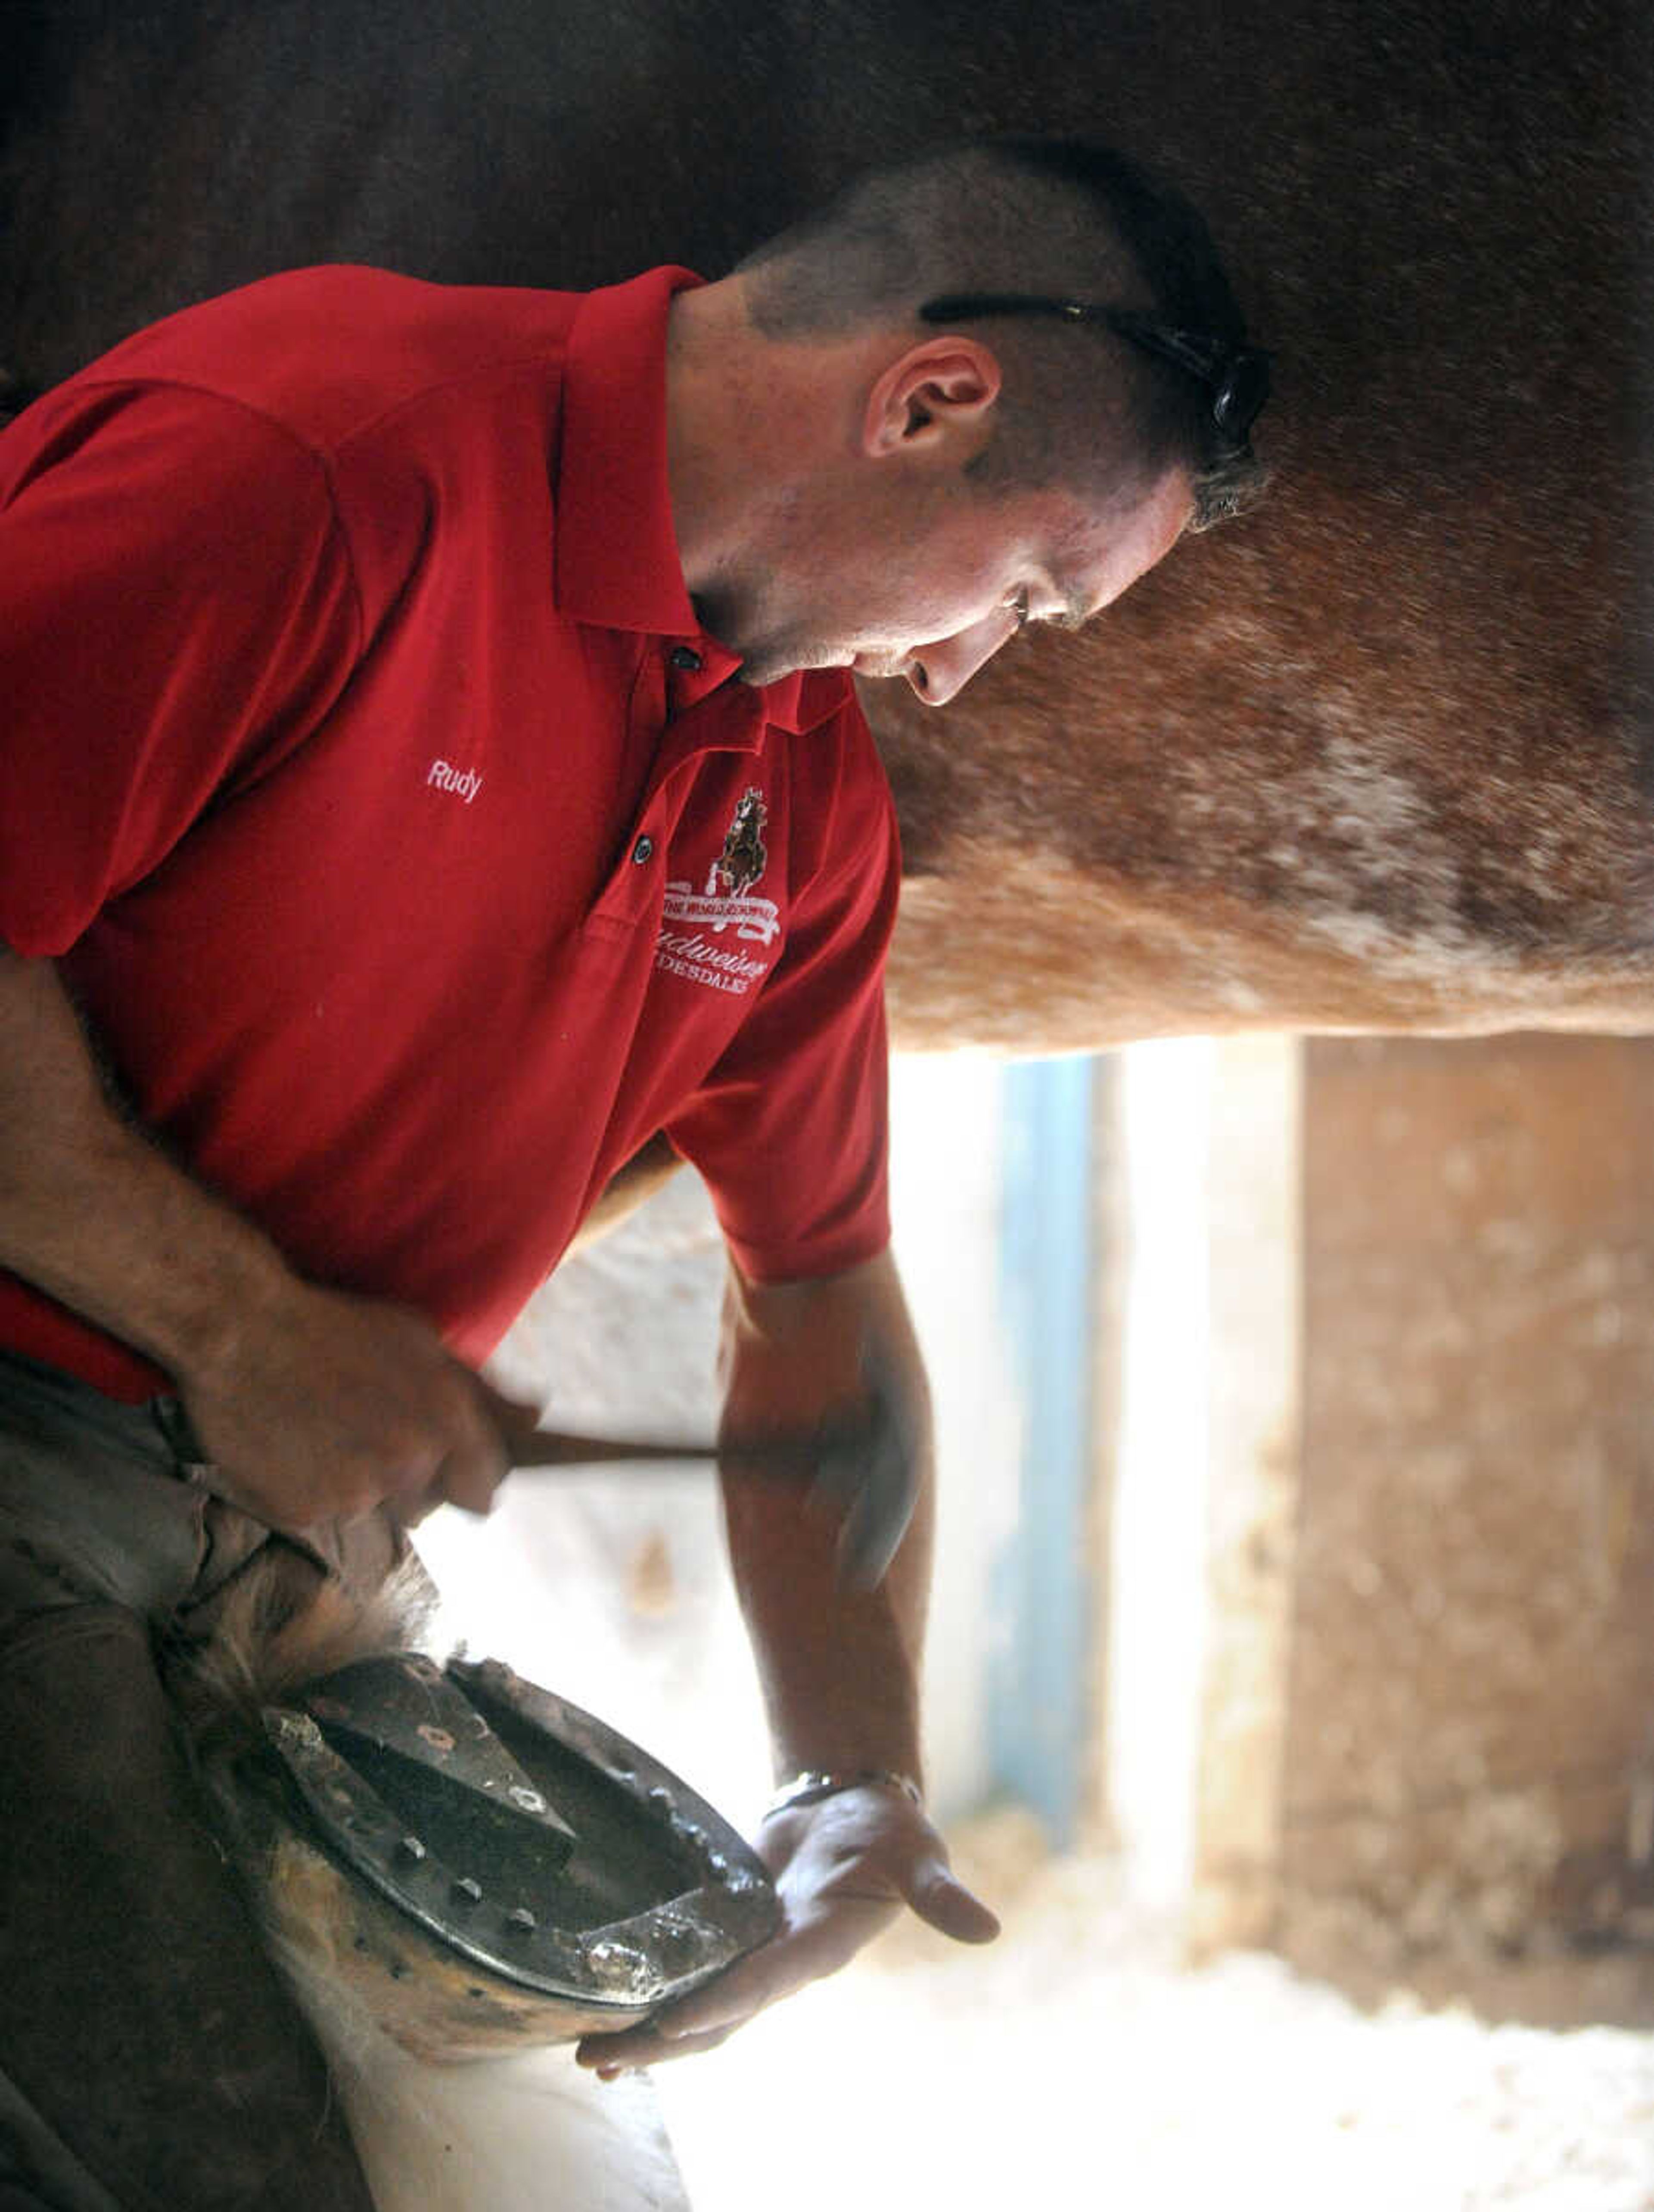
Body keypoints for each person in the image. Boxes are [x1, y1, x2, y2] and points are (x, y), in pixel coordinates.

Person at [0, 135, 1264, 2206]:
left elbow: (823, 1288)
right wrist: (239, 1325)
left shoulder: (805, 797)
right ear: (927, 399)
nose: (965, 668)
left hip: (296, 1525)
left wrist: (857, 1769)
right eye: (1029, 588)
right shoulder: (309, 455)